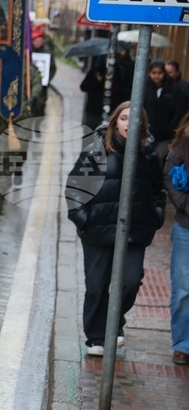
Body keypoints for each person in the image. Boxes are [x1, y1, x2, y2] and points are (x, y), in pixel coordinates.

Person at [67, 102, 166, 356]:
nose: (128, 124)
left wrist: (155, 216)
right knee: (97, 286)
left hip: (135, 230)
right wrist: (84, 219)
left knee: (130, 282)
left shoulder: (148, 153)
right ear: (115, 122)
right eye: (123, 118)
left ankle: (113, 322)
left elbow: (157, 189)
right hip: (98, 230)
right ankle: (96, 336)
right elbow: (76, 187)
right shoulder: (97, 149)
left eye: (135, 120)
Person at [165, 113, 189, 365]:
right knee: (183, 288)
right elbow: (170, 176)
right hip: (186, 228)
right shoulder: (183, 144)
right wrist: (185, 204)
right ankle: (183, 344)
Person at [144, 60, 176, 163]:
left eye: (160, 73)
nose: (157, 76)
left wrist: (171, 127)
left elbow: (177, 110)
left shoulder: (172, 87)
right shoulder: (144, 87)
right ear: (149, 73)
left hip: (165, 134)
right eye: (154, 73)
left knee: (159, 160)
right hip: (147, 132)